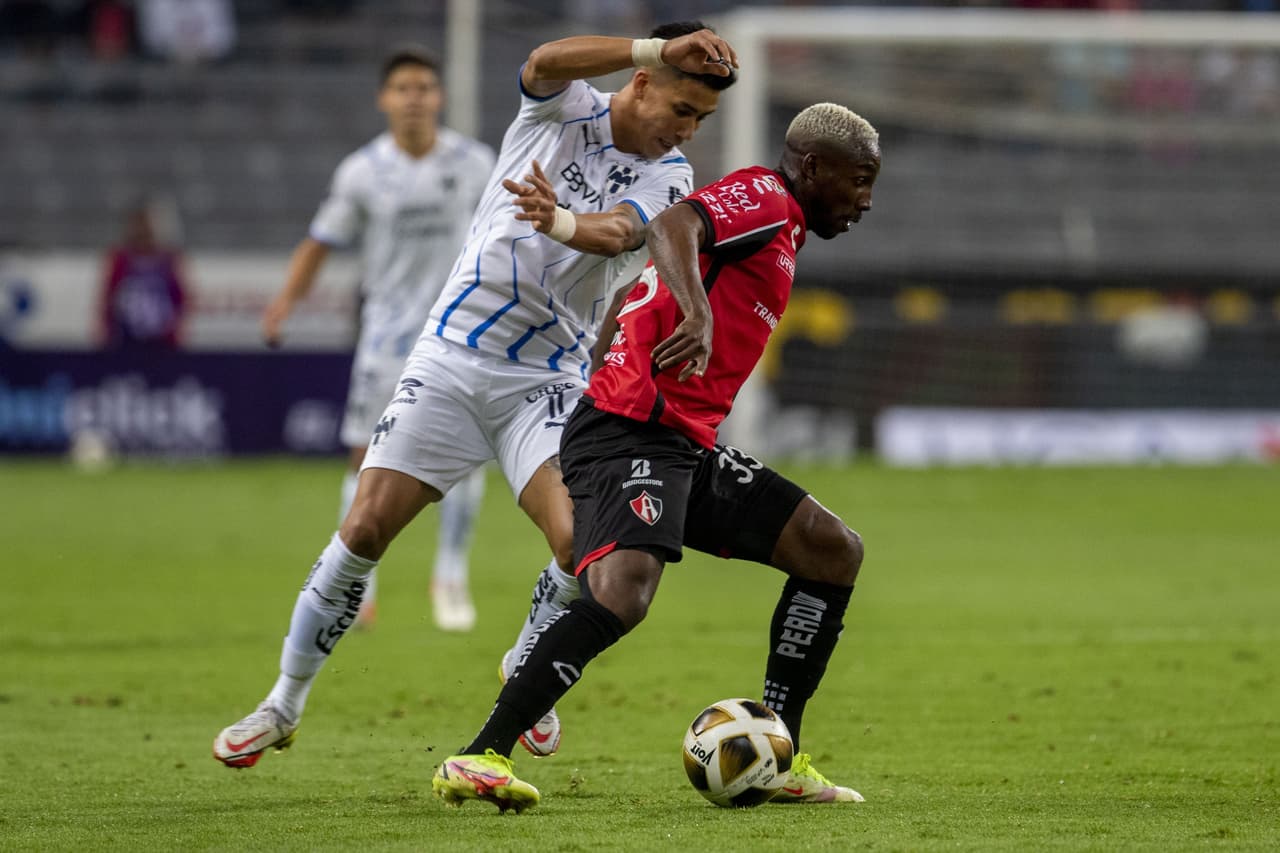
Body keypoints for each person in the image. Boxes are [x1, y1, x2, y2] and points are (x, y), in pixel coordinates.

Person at [212, 21, 738, 769]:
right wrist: (652, 48)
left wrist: (556, 217)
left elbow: (621, 232)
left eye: (701, 120)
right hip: (452, 358)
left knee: (583, 545)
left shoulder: (674, 177)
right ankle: (284, 702)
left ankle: (527, 654)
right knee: (363, 528)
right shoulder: (562, 109)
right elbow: (542, 60)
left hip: (548, 379)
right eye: (683, 110)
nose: (686, 130)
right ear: (644, 82)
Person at [431, 102, 881, 813]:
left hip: (679, 439)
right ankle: (481, 752)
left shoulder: (783, 228)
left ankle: (779, 751)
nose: (865, 200)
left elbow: (637, 289)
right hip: (629, 429)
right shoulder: (765, 196)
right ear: (814, 167)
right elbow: (673, 224)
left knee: (831, 551)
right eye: (859, 180)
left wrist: (624, 339)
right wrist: (694, 315)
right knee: (622, 592)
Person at [259, 46, 496, 632]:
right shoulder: (362, 171)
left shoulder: (475, 162)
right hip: (387, 338)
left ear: (439, 98)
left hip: (460, 332)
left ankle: (450, 576)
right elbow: (319, 241)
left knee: (464, 460)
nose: (414, 98)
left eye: (424, 88)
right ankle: (356, 584)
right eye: (403, 88)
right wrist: (286, 302)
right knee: (366, 456)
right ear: (384, 100)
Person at [99, 199, 189, 350]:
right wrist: (109, 333)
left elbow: (180, 298)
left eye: (147, 225)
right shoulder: (120, 260)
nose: (143, 230)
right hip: (126, 339)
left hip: (162, 341)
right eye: (139, 225)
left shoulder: (169, 260)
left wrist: (172, 330)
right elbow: (109, 297)